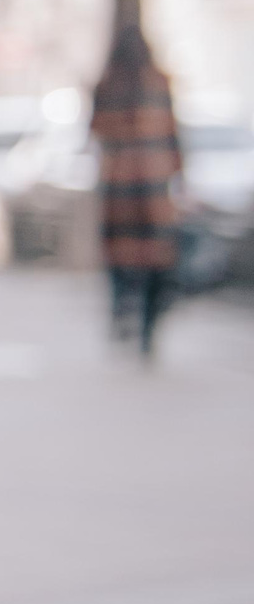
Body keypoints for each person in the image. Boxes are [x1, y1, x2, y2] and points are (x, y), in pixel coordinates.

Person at [90, 22, 184, 356]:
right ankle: (147, 328)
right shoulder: (158, 82)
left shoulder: (106, 85)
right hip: (153, 183)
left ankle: (122, 309)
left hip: (119, 182)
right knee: (156, 257)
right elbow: (174, 133)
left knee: (120, 255)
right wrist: (179, 175)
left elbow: (94, 131)